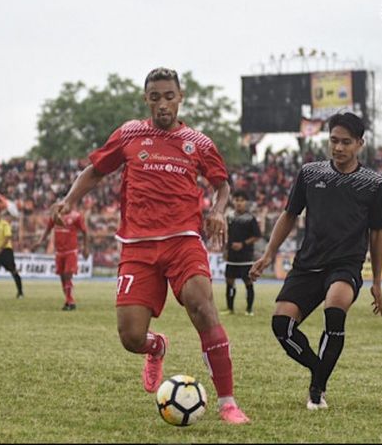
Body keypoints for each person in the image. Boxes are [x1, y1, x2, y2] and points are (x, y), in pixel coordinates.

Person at [51, 67, 249, 424]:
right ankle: (156, 346)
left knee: (201, 305)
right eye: (155, 97)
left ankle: (228, 403)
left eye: (169, 96)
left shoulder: (199, 142)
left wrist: (219, 211)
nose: (162, 104)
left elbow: (222, 185)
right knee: (130, 336)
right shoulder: (129, 133)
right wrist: (69, 202)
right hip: (137, 246)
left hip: (183, 241)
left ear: (180, 97)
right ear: (146, 99)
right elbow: (95, 171)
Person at [249, 112, 382, 411]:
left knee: (334, 310)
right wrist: (268, 254)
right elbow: (289, 216)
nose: (338, 148)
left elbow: (378, 234)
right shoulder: (310, 173)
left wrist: (376, 281)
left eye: (346, 142)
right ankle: (318, 369)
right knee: (281, 326)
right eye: (334, 141)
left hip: (345, 266)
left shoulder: (375, 183)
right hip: (308, 264)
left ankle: (317, 389)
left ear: (360, 144)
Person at [33, 204, 90, 310]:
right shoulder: (55, 217)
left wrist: (86, 248)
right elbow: (47, 230)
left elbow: (85, 232)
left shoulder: (76, 217)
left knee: (68, 275)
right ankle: (69, 300)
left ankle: (69, 301)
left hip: (71, 251)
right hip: (59, 252)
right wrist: (40, 242)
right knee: (62, 277)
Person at [222, 190, 261, 316]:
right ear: (233, 201)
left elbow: (257, 236)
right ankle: (230, 308)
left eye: (241, 200)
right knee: (229, 280)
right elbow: (226, 234)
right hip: (232, 256)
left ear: (246, 203)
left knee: (248, 282)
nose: (239, 203)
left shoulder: (250, 218)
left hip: (245, 256)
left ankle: (249, 309)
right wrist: (226, 249)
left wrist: (243, 244)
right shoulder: (230, 217)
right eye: (236, 200)